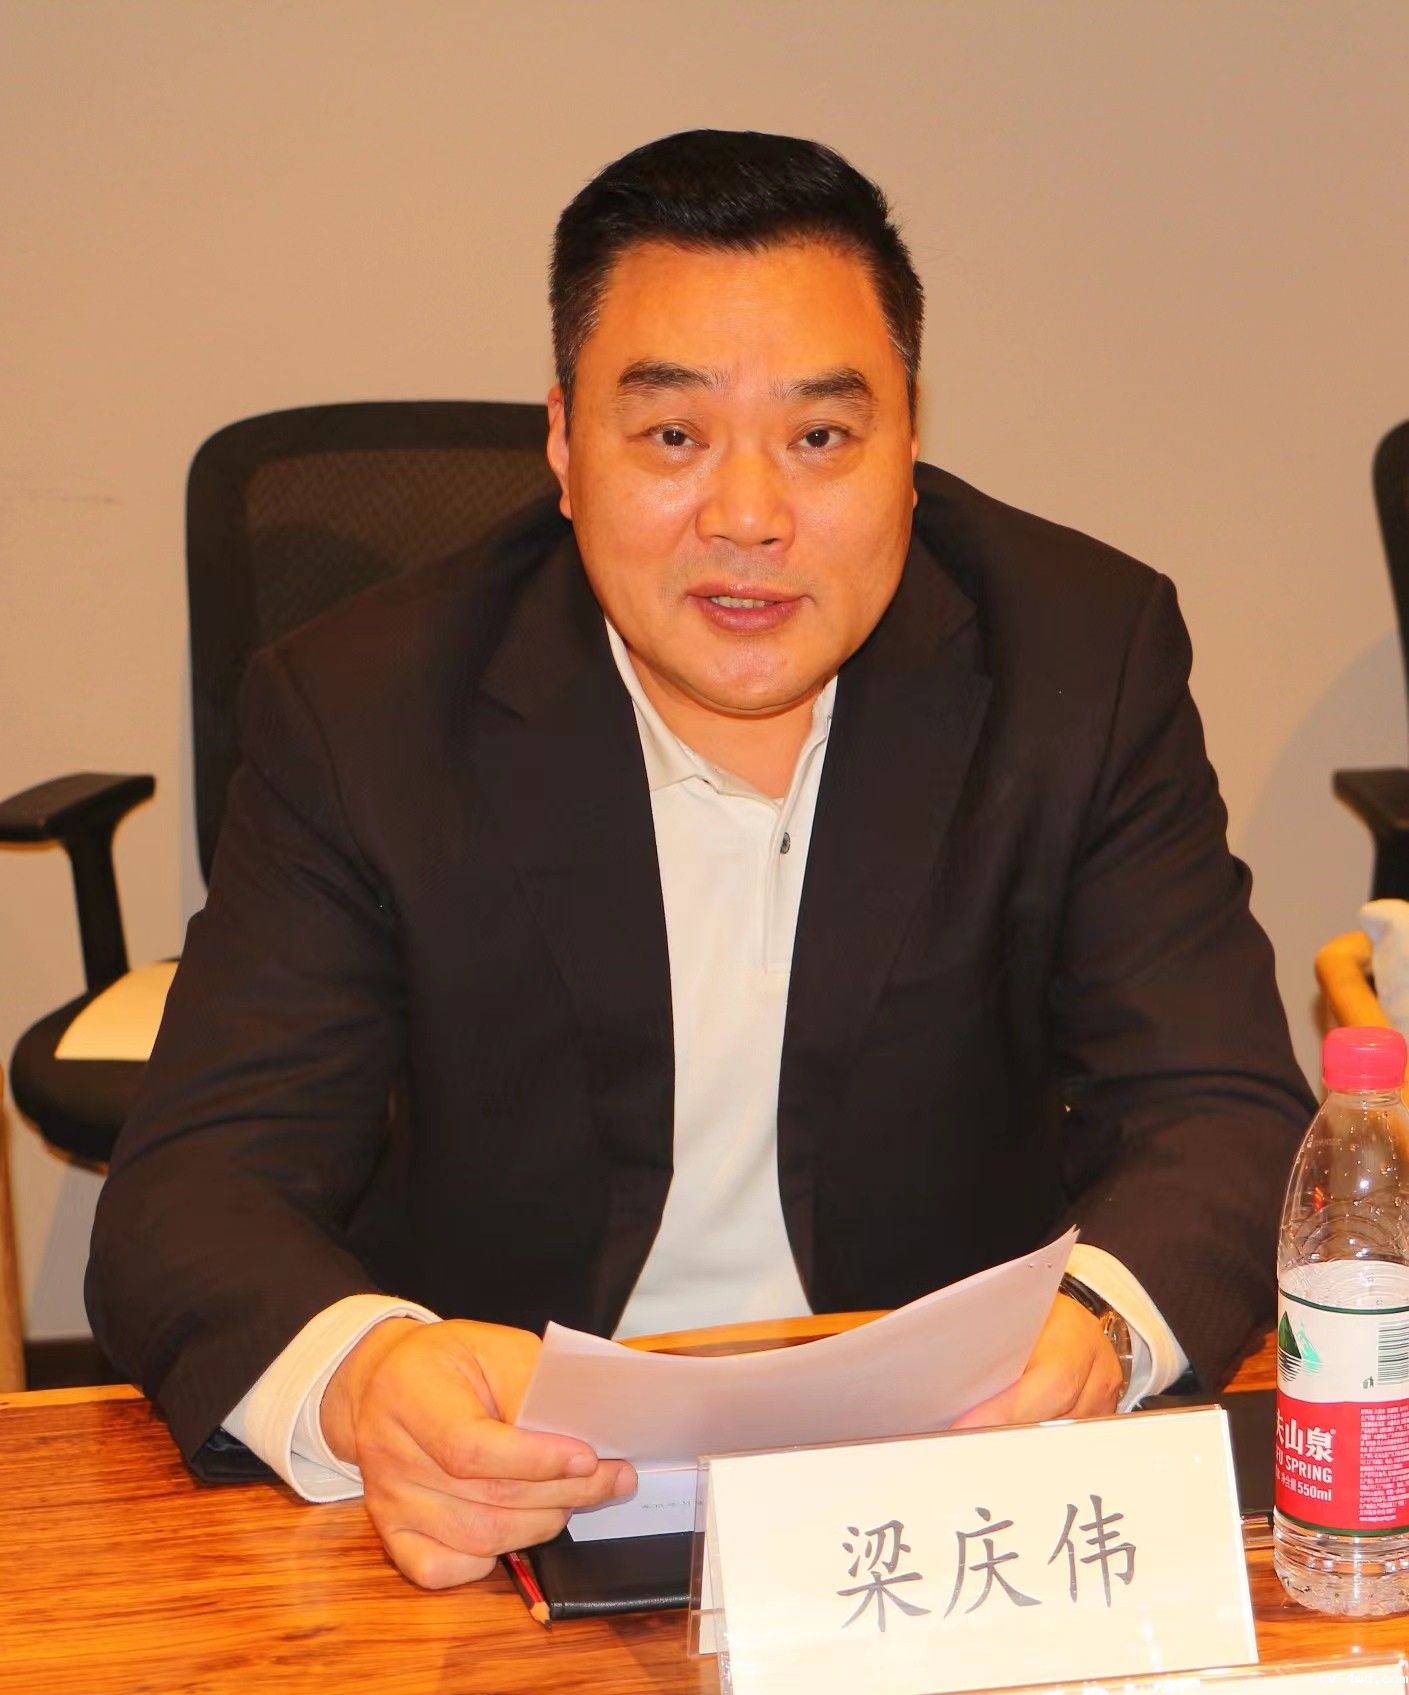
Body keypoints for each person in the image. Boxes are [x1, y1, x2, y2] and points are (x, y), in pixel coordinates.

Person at [87, 129, 1312, 1590]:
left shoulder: (1079, 658)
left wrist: (1094, 1336)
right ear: (562, 445)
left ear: (908, 441)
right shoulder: (363, 708)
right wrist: (368, 1382)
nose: (747, 519)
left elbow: (1221, 1108)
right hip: (523, 1499)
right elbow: (192, 1191)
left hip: (941, 1493)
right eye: (672, 436)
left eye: (819, 438)